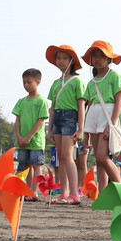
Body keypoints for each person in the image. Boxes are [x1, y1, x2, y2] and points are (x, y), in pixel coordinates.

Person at [82, 40, 121, 197]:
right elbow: (86, 105)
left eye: (102, 55)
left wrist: (112, 124)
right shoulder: (91, 82)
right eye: (95, 56)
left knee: (103, 156)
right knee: (98, 160)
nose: (98, 59)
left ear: (109, 59)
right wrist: (84, 132)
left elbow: (119, 100)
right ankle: (103, 194)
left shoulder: (115, 76)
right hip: (93, 115)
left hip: (108, 114)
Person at [46, 45, 86, 201]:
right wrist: (49, 129)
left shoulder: (77, 81)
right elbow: (52, 108)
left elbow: (81, 105)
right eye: (58, 58)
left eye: (64, 58)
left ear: (72, 61)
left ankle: (75, 194)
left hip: (70, 117)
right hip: (56, 118)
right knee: (61, 156)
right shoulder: (56, 83)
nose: (61, 61)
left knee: (68, 156)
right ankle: (64, 193)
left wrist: (81, 128)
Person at [13, 68, 49, 200]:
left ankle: (34, 192)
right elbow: (17, 120)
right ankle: (26, 190)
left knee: (36, 165)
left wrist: (29, 137)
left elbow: (41, 121)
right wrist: (18, 136)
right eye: (24, 83)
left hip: (35, 141)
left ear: (37, 82)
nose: (26, 85)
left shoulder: (41, 101)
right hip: (21, 140)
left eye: (29, 82)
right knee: (24, 166)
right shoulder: (21, 101)